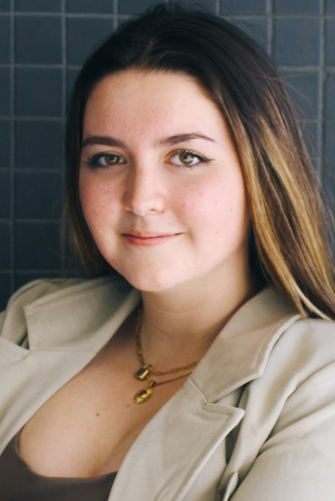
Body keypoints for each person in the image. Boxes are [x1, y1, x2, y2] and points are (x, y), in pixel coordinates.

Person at [1, 3, 335, 500]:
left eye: (186, 156)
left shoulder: (317, 383)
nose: (139, 198)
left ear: (259, 172)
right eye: (108, 158)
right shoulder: (27, 320)